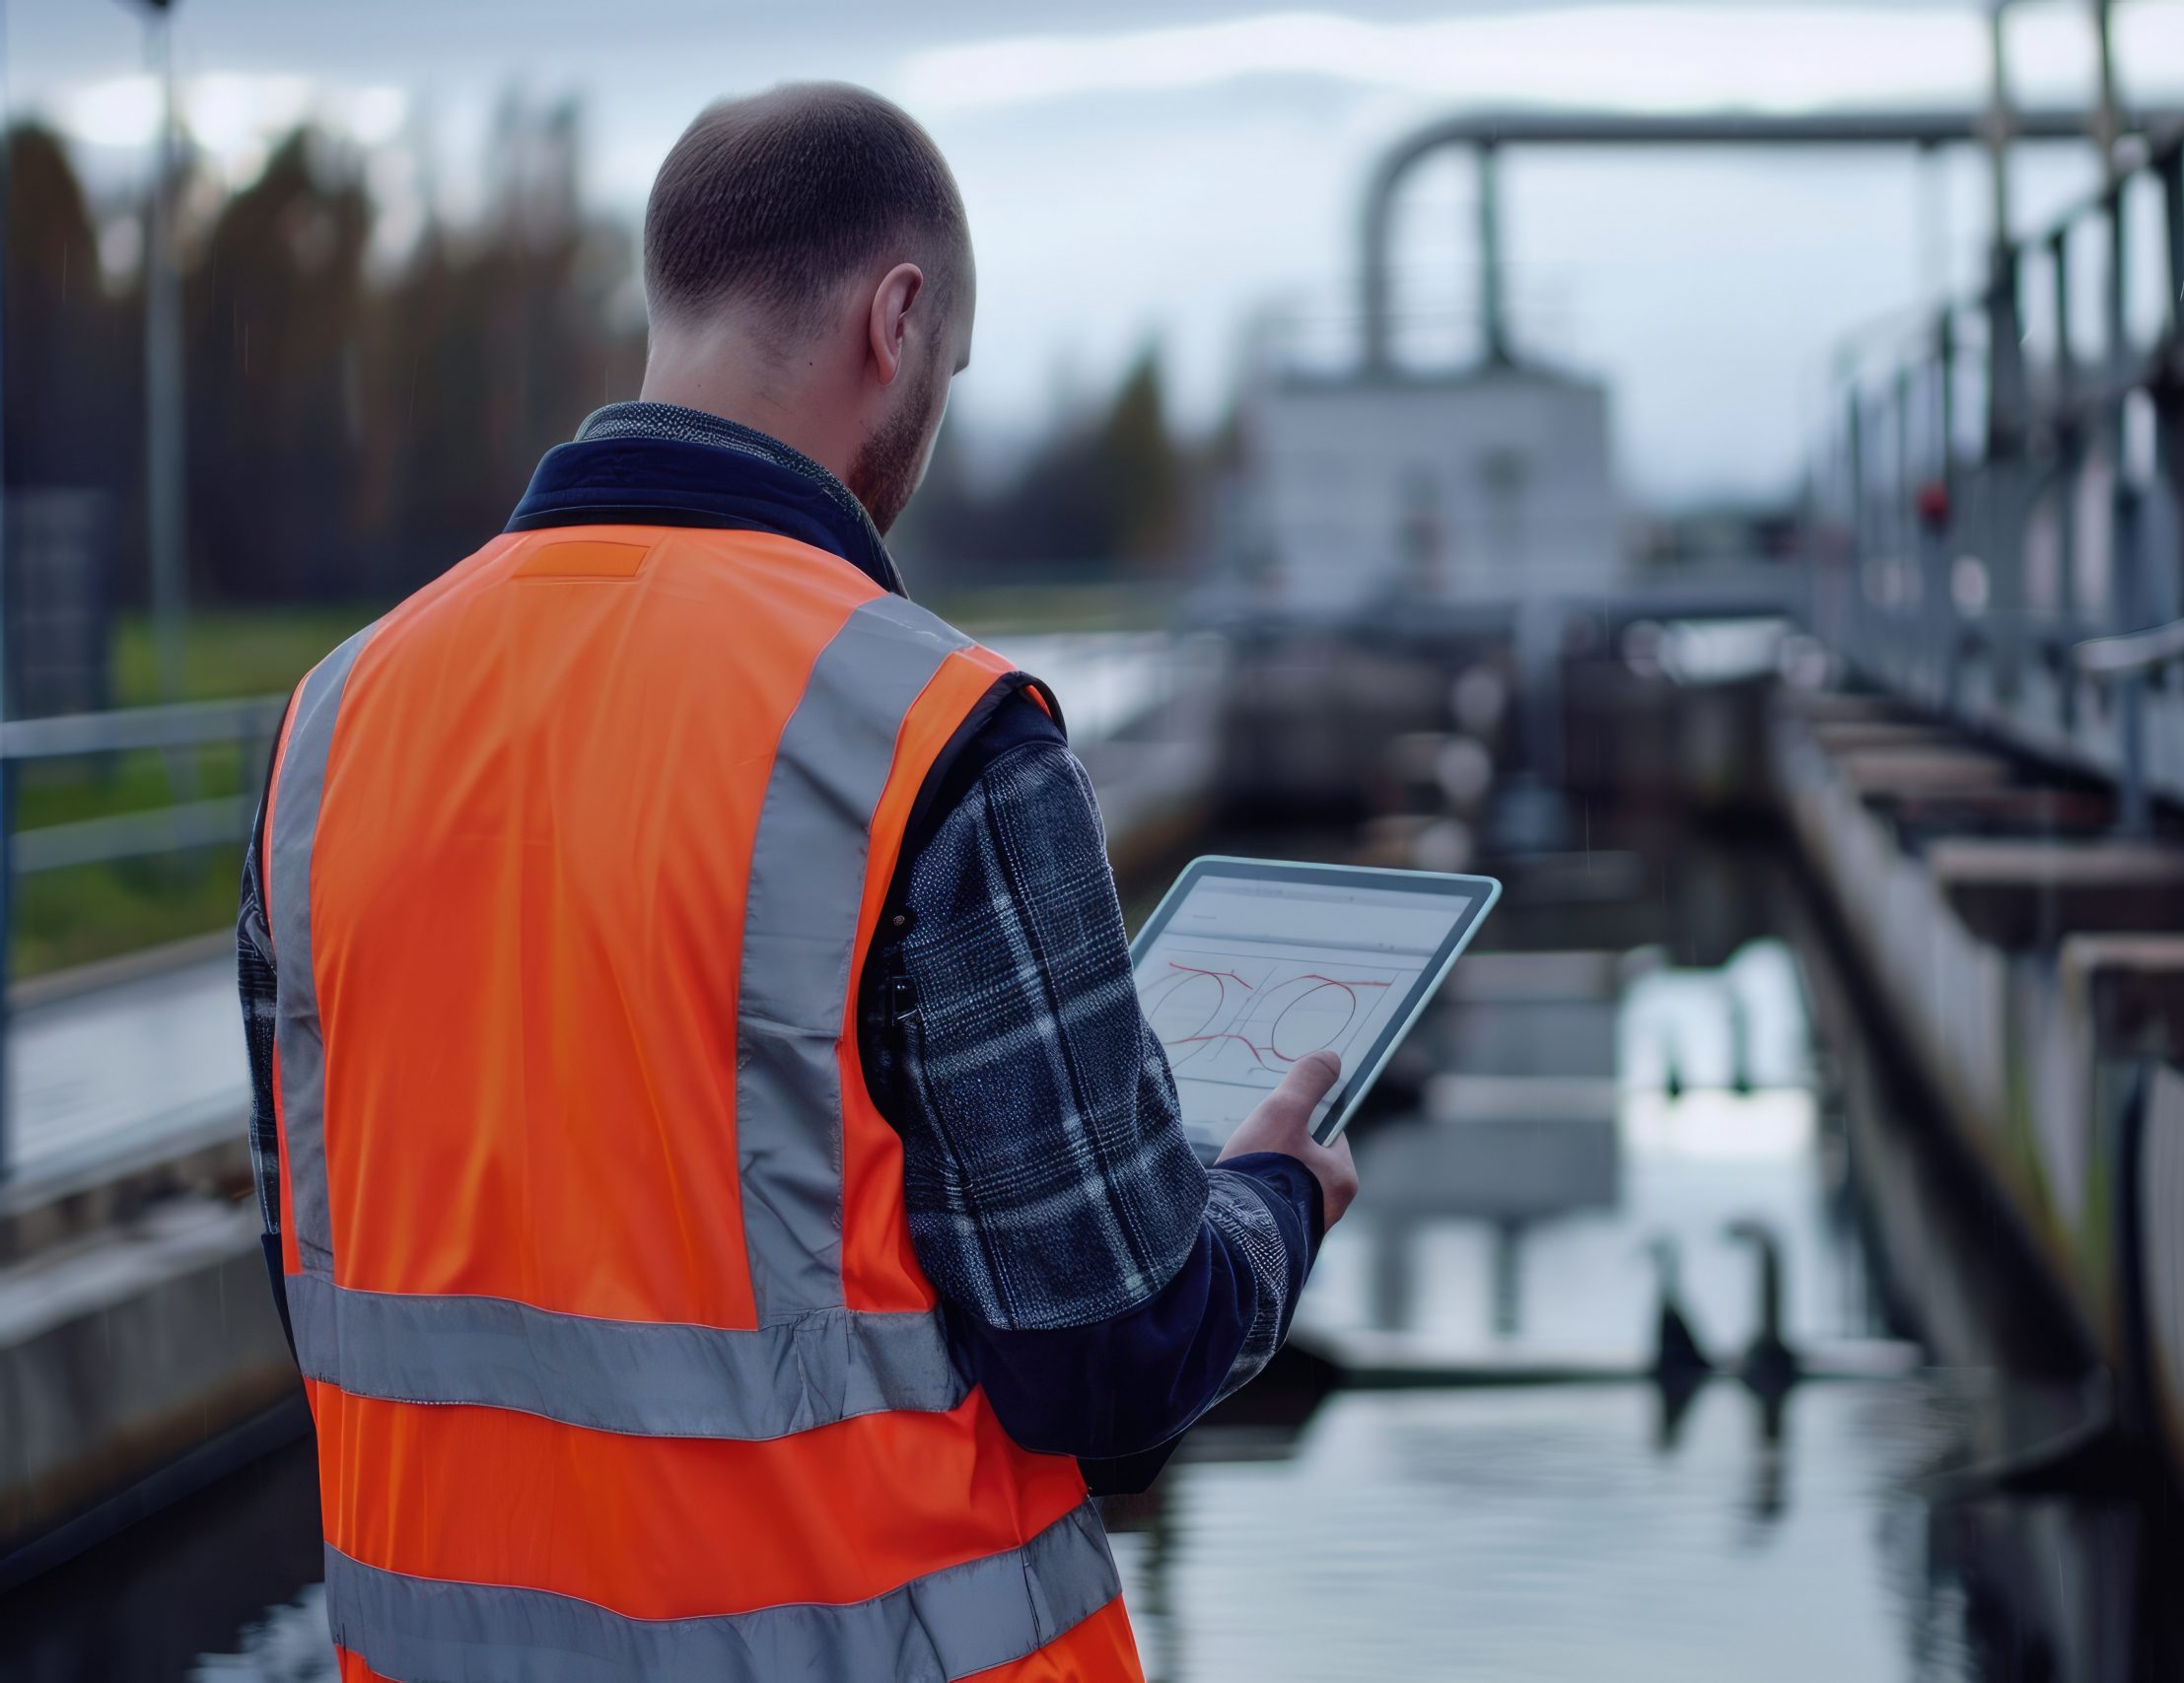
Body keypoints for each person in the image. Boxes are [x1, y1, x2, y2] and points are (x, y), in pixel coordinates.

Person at [235, 83, 1357, 1683]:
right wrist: (1268, 1203)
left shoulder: (334, 724)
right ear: (895, 319)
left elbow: (319, 1277)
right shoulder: (932, 731)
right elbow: (1105, 1355)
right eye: (949, 371)